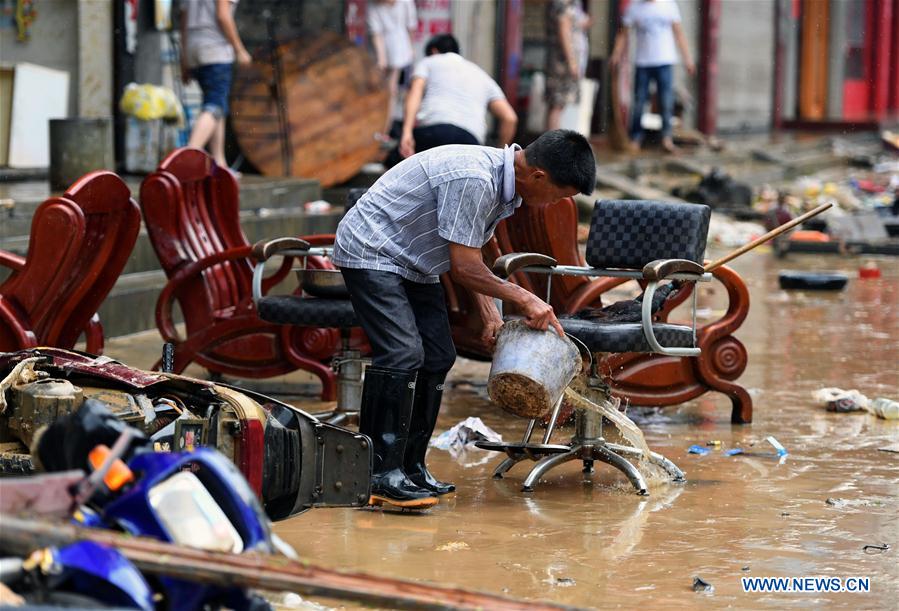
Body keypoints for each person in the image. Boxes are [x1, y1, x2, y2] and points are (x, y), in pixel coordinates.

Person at [332, 130, 597, 509]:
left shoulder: (505, 184)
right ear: (538, 175)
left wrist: (490, 311)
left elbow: (473, 245)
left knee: (438, 355)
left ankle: (409, 467)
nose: (551, 204)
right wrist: (525, 298)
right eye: (557, 195)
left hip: (415, 261)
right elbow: (465, 267)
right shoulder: (475, 177)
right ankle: (377, 474)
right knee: (403, 354)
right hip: (373, 249)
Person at [396, 34, 518, 163]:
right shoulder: (482, 74)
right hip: (471, 143)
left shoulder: (429, 61)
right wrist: (497, 157)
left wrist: (407, 131)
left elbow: (415, 93)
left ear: (434, 51)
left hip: (433, 133)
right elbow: (510, 118)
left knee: (396, 161)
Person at [610, 0, 695, 153]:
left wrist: (687, 58)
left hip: (665, 61)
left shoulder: (668, 5)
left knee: (666, 101)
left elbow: (678, 33)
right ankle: (635, 138)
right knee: (639, 102)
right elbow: (623, 33)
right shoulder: (634, 7)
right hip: (643, 62)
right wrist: (616, 54)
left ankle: (666, 138)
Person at [180, 0, 251, 168]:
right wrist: (239, 49)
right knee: (215, 105)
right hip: (215, 50)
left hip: (193, 48)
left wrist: (183, 60)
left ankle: (219, 163)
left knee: (217, 104)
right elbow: (223, 15)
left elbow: (183, 23)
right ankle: (189, 154)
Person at [367, 0, 417, 139]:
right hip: (384, 50)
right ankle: (382, 129)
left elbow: (410, 27)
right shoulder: (374, 6)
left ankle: (386, 130)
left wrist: (411, 48)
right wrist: (381, 57)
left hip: (401, 49)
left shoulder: (405, 3)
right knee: (386, 91)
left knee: (394, 90)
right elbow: (376, 34)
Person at [544, 0, 589, 131]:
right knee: (558, 104)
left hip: (557, 60)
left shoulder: (558, 5)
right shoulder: (562, 5)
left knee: (556, 104)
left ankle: (550, 141)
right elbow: (564, 31)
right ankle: (552, 144)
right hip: (561, 63)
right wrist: (572, 61)